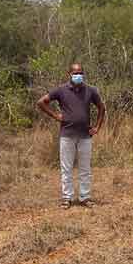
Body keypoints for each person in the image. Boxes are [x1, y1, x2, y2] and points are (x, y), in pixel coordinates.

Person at [36, 63, 106, 209]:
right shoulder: (61, 90)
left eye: (80, 72)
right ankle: (67, 198)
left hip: (85, 136)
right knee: (66, 168)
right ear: (69, 74)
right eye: (75, 73)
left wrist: (97, 127)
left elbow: (101, 107)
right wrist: (56, 116)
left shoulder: (90, 90)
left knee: (85, 169)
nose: (78, 75)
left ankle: (85, 197)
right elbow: (41, 102)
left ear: (83, 74)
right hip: (67, 135)